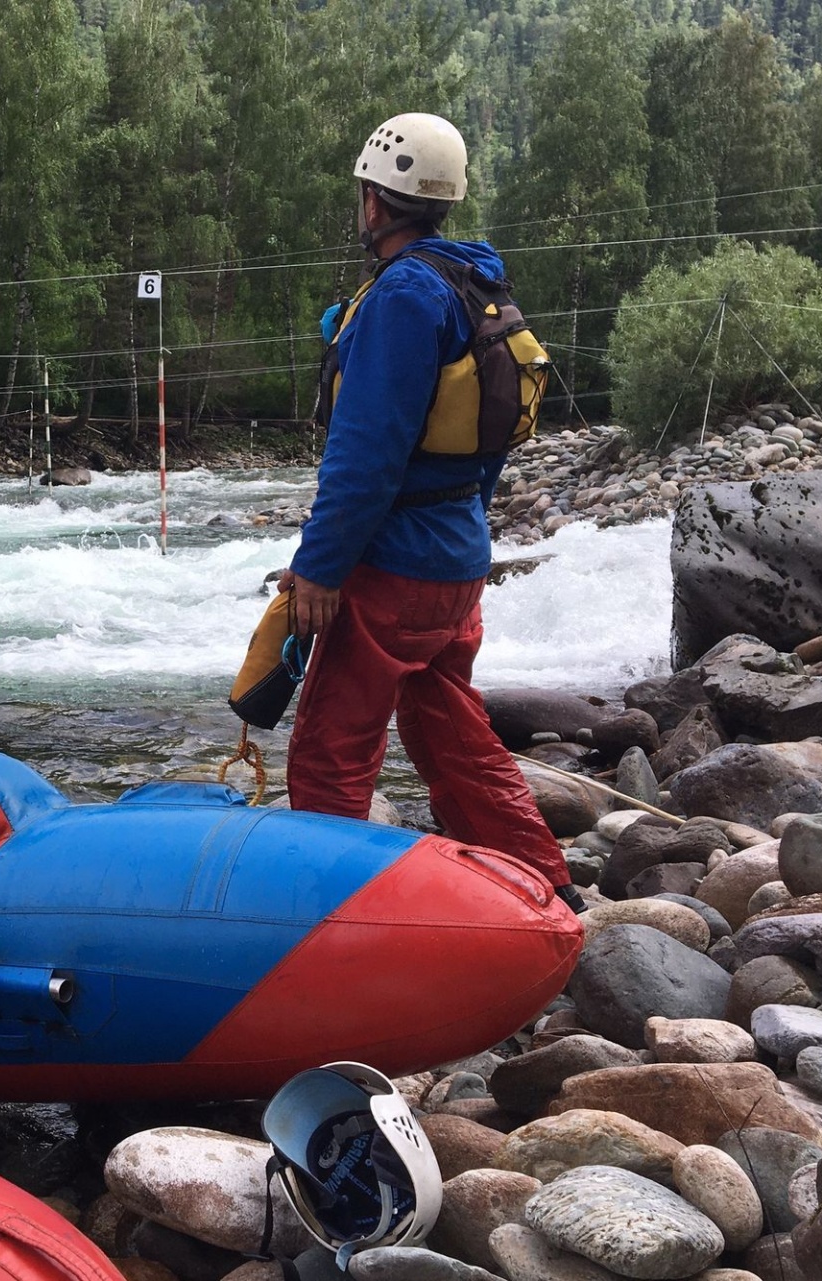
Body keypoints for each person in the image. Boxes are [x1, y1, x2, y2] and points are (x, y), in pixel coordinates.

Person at [280, 111, 582, 911]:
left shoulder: (405, 295)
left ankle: (326, 921)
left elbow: (365, 455)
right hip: (458, 561)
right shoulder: (474, 282)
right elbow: (478, 448)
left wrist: (319, 567)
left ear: (376, 205)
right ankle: (544, 888)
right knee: (449, 730)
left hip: (396, 568)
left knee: (328, 755)